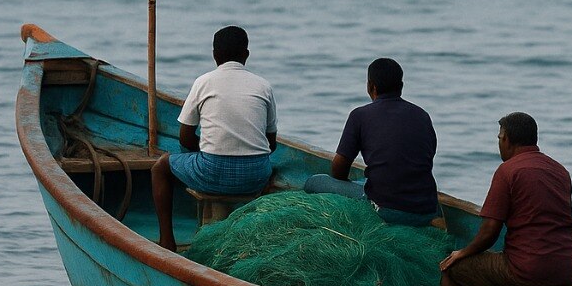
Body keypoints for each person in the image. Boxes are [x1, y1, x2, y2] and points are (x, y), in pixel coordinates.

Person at [438, 112, 572, 286]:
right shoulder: (560, 171)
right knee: (533, 265)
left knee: (450, 270)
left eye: (500, 138)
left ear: (507, 139)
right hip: (564, 268)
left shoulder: (508, 170)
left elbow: (490, 232)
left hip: (525, 270)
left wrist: (462, 253)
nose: (499, 143)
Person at [150, 26, 277, 251]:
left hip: (212, 173)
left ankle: (167, 241)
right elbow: (271, 143)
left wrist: (206, 148)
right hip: (255, 176)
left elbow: (185, 137)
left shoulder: (204, 82)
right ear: (246, 54)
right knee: (267, 164)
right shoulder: (263, 86)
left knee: (160, 167)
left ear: (214, 55)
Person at [302, 58, 440, 227]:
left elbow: (339, 168)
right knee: (366, 182)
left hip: (386, 210)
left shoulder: (360, 115)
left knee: (315, 182)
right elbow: (427, 158)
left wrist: (344, 182)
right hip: (426, 209)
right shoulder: (422, 115)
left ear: (371, 87)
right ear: (401, 86)